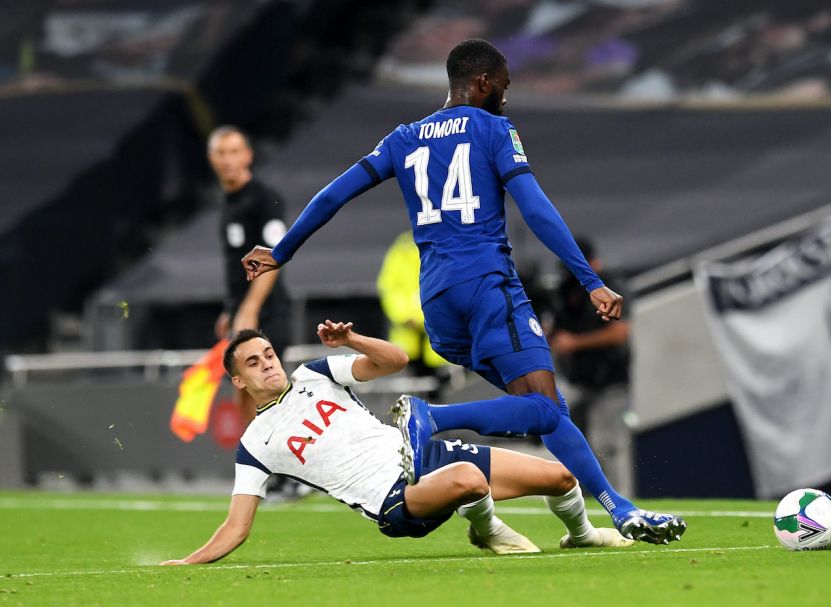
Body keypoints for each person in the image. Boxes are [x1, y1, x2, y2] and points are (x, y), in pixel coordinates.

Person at [241, 39, 685, 544]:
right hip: (487, 287)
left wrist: (283, 250)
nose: (505, 96)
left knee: (544, 406)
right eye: (503, 86)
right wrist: (591, 280)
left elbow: (334, 193)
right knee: (542, 407)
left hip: (439, 306)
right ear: (482, 83)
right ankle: (433, 416)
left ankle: (619, 509)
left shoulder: (404, 138)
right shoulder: (495, 129)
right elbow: (535, 208)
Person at [160, 322, 632, 565]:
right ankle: (487, 529)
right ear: (238, 381)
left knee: (560, 477)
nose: (267, 364)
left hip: (428, 459)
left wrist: (353, 340)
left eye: (268, 354)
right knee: (468, 479)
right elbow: (236, 527)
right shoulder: (254, 444)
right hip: (394, 501)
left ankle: (583, 536)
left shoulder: (315, 374)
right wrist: (187, 561)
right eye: (253, 363)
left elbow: (396, 360)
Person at [208, 125, 292, 426]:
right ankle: (257, 463)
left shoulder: (263, 198)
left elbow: (273, 255)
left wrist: (249, 309)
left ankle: (281, 464)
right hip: (242, 311)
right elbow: (238, 264)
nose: (228, 159)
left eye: (234, 151)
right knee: (242, 387)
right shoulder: (229, 202)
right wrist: (231, 310)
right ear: (211, 158)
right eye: (221, 152)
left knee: (267, 386)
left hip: (267, 311)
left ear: (247, 155)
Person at [548, 237, 633, 494]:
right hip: (576, 380)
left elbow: (620, 333)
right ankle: (583, 505)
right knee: (574, 446)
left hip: (609, 381)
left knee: (604, 445)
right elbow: (555, 330)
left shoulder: (610, 286)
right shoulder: (565, 291)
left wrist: (575, 343)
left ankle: (618, 502)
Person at [377, 230, 449, 388]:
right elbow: (389, 289)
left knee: (443, 389)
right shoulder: (401, 251)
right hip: (408, 343)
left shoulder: (446, 248)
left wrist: (422, 317)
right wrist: (406, 316)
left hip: (442, 347)